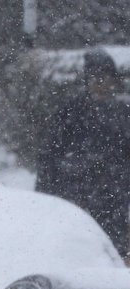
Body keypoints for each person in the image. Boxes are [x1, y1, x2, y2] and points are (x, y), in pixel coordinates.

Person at [36, 48, 130, 255]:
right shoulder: (72, 111)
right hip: (76, 197)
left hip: (115, 200)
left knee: (116, 252)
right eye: (94, 77)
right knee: (78, 250)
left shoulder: (123, 113)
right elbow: (50, 154)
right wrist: (46, 195)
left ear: (113, 80)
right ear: (86, 80)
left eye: (104, 77)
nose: (99, 82)